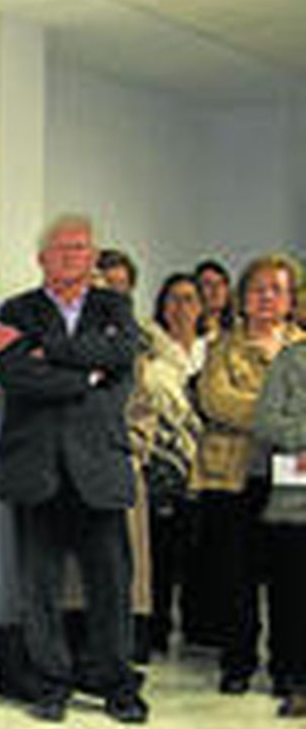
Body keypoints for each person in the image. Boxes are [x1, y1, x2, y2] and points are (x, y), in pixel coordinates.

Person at [0, 216, 148, 725]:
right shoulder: (16, 310)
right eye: (61, 249)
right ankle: (50, 682)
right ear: (41, 258)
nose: (71, 256)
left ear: (93, 256)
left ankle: (116, 683)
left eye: (81, 248)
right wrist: (88, 376)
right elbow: (16, 377)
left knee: (111, 583)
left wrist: (54, 353)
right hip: (35, 467)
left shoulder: (114, 307)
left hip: (97, 465)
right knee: (38, 585)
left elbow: (123, 355)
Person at [190, 253, 305, 695]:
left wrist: (264, 410)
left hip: (293, 475)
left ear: (291, 298)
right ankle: (237, 663)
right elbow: (216, 400)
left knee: (293, 577)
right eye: (258, 288)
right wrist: (280, 412)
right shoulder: (222, 346)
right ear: (243, 297)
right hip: (232, 474)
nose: (266, 297)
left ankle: (290, 669)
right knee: (233, 575)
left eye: (277, 289)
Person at [135, 273, 205, 654]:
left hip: (210, 459)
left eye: (190, 299)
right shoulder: (151, 349)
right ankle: (155, 629)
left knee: (201, 549)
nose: (181, 307)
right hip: (164, 459)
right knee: (160, 550)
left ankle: (199, 629)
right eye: (174, 299)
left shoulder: (211, 348)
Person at [91, 247, 155, 662]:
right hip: (67, 473)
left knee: (120, 575)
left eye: (119, 289)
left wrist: (128, 449)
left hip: (116, 468)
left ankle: (117, 662)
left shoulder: (134, 350)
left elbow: (144, 414)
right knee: (75, 582)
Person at [254, 340, 306, 716]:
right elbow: (267, 422)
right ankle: (291, 676)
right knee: (291, 594)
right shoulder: (292, 360)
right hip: (296, 501)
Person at [196, 259, 236, 339]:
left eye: (220, 283)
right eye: (208, 283)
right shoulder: (188, 333)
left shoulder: (240, 330)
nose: (216, 289)